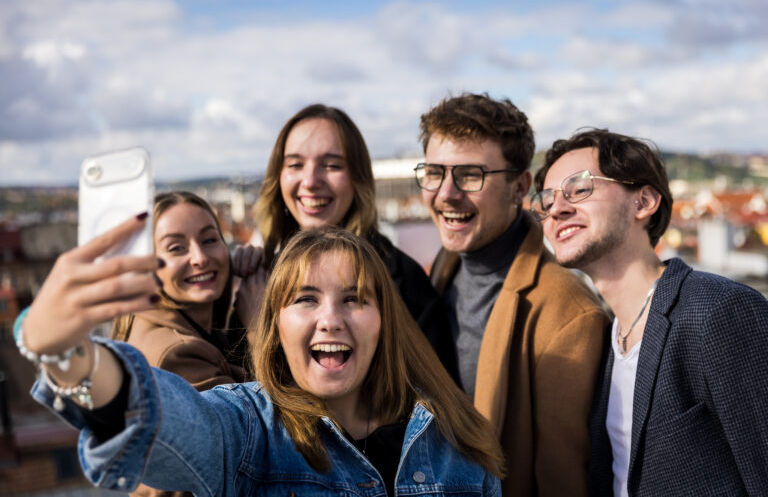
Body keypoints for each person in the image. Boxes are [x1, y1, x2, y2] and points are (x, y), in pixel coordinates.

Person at [17, 221, 503, 495]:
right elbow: (158, 415)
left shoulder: (452, 441)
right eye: (306, 299)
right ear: (275, 325)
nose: (331, 319)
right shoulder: (247, 430)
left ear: (384, 321)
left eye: (354, 299)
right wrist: (65, 354)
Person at [532, 128, 768, 496]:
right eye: (546, 201)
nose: (556, 209)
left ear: (643, 202)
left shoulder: (718, 312)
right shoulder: (606, 340)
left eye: (579, 188)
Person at [417, 92, 609, 496]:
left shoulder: (568, 314)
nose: (447, 194)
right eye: (434, 172)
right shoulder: (447, 265)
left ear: (519, 186)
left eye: (470, 175)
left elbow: (563, 482)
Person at [244, 103, 458, 380]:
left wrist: (256, 326)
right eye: (295, 164)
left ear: (358, 178)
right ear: (278, 176)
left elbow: (432, 397)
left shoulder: (402, 282)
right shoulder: (257, 278)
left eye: (331, 165)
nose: (310, 181)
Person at [110, 192, 259, 497]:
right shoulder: (175, 354)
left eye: (209, 240)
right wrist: (259, 323)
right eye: (176, 248)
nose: (200, 257)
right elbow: (255, 449)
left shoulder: (173, 322)